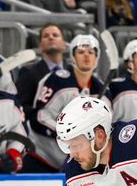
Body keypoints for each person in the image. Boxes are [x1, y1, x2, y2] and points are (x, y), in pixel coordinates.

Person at [28, 34, 104, 172]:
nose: (86, 56)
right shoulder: (57, 80)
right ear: (72, 57)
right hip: (42, 158)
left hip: (79, 162)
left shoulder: (102, 88)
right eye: (81, 52)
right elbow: (39, 118)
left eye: (91, 52)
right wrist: (68, 135)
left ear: (96, 58)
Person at [15, 23, 65, 116]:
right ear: (40, 46)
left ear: (64, 44)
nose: (51, 37)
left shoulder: (73, 71)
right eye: (46, 36)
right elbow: (21, 106)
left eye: (55, 35)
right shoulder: (28, 72)